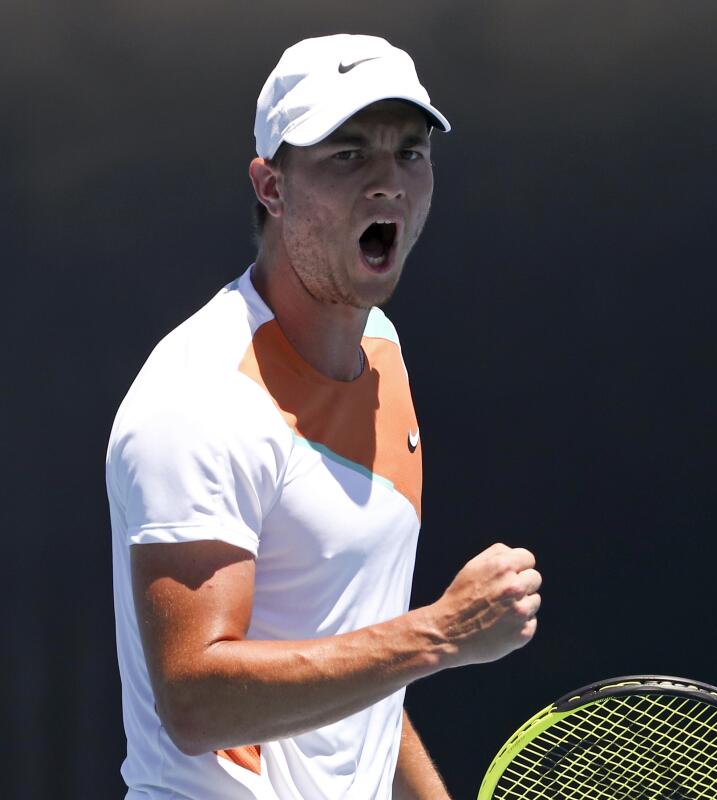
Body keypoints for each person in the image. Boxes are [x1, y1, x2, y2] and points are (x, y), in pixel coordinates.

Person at [105, 34, 541, 799]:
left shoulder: (381, 349)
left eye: (410, 153)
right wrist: (441, 632)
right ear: (271, 186)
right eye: (347, 155)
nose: (388, 184)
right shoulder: (199, 400)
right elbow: (196, 702)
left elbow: (346, 646)